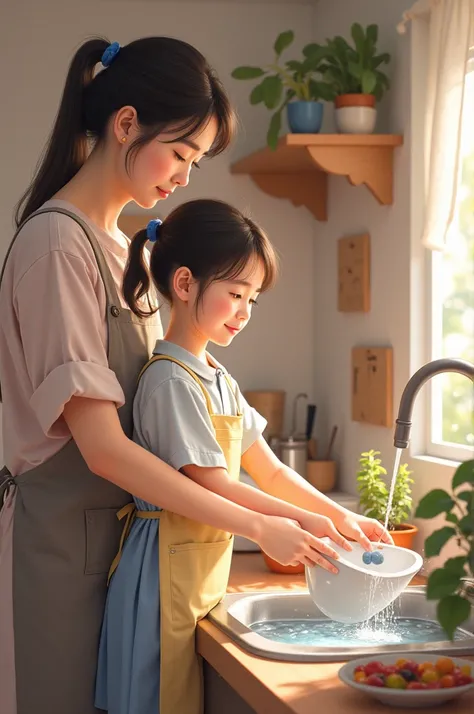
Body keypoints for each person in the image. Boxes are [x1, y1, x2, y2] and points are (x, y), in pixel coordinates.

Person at [0, 35, 331, 714]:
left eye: (195, 162)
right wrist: (259, 526)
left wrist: (304, 518)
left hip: (123, 552)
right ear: (125, 124)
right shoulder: (59, 244)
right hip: (65, 552)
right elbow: (103, 447)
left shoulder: (119, 246)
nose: (184, 178)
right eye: (180, 154)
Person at [95, 199, 394, 714]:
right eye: (235, 294)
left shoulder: (218, 377)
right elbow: (213, 487)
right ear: (185, 285)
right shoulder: (170, 380)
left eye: (253, 299)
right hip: (162, 577)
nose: (244, 312)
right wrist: (288, 526)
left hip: (194, 568)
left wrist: (341, 518)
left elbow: (271, 471)